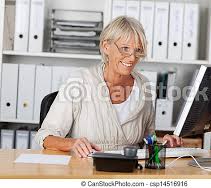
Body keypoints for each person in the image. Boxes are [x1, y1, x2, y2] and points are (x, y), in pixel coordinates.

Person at [35, 16, 183, 158]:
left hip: (130, 173)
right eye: (125, 48)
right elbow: (45, 137)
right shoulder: (79, 81)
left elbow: (147, 141)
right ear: (106, 47)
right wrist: (72, 143)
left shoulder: (144, 86)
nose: (132, 58)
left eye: (137, 50)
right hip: (86, 169)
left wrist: (163, 145)